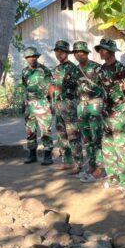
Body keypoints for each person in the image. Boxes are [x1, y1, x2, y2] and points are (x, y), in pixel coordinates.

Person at [97, 38, 125, 192]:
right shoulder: (101, 70)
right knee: (108, 148)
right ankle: (112, 178)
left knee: (122, 148)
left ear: (111, 51)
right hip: (106, 115)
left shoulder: (122, 70)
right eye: (99, 49)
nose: (100, 52)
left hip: (120, 115)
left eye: (103, 49)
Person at [72, 41, 105, 182]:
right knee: (87, 139)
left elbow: (105, 87)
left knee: (97, 137)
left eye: (81, 52)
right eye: (76, 52)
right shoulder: (74, 70)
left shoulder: (97, 68)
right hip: (81, 106)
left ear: (86, 53)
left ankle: (99, 169)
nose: (79, 54)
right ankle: (91, 166)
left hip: (95, 105)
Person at [48, 40, 83, 173]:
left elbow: (78, 87)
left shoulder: (73, 68)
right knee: (62, 135)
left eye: (62, 51)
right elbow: (52, 86)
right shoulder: (56, 69)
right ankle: (67, 161)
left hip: (70, 105)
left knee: (73, 134)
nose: (59, 54)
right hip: (58, 105)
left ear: (67, 53)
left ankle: (78, 163)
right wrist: (50, 100)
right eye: (57, 51)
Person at [20, 46, 53, 165]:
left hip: (42, 103)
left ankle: (48, 155)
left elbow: (51, 87)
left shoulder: (45, 70)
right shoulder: (25, 71)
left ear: (37, 57)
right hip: (29, 105)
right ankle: (32, 154)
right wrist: (24, 103)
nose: (32, 59)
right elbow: (25, 87)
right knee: (30, 131)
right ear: (26, 58)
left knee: (45, 131)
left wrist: (51, 103)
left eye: (34, 56)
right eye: (29, 57)